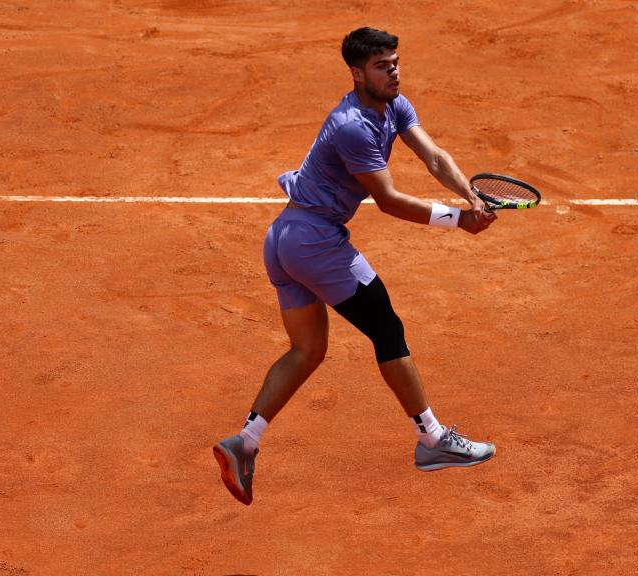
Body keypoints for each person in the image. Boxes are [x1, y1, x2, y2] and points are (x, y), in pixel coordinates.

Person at [213, 27, 497, 506]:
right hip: (313, 241)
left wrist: (468, 194)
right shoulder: (353, 125)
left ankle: (244, 443)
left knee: (307, 350)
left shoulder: (392, 106)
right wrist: (457, 221)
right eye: (383, 65)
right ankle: (432, 440)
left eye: (395, 62)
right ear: (357, 72)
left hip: (285, 238)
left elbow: (433, 155)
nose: (394, 72)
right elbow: (386, 200)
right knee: (387, 329)